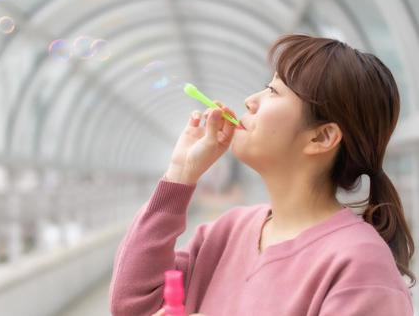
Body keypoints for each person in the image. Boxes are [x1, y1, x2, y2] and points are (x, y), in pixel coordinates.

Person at [109, 34, 415, 316]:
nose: (250, 101)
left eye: (273, 91)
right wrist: (180, 174)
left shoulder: (361, 267)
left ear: (321, 138)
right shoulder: (228, 231)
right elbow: (133, 304)